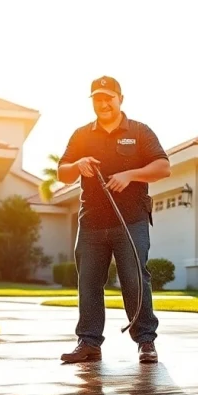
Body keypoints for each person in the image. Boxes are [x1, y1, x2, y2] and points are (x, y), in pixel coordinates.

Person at [57, 76, 171, 364]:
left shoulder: (139, 131)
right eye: (97, 98)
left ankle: (146, 342)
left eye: (108, 97)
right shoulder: (82, 135)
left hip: (130, 220)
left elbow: (163, 167)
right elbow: (62, 172)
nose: (103, 103)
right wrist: (78, 165)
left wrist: (130, 175)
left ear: (120, 99)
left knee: (134, 280)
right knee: (89, 283)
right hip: (92, 222)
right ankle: (89, 343)